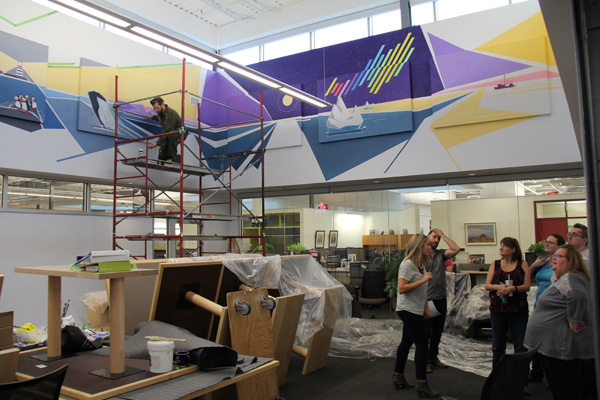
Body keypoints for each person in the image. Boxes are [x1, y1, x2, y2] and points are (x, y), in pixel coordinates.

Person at [524, 244, 594, 400]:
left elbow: (577, 295)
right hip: (550, 345)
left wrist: (574, 320)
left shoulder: (573, 277)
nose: (554, 258)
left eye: (559, 256)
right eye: (554, 255)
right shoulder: (564, 278)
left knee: (566, 389)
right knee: (560, 387)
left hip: (559, 346)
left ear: (570, 261)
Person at [392, 234, 439, 398]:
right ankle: (422, 384)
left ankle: (398, 376)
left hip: (416, 309)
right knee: (421, 344)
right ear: (419, 246)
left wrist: (426, 308)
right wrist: (423, 279)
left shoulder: (420, 265)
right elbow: (402, 288)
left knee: (406, 342)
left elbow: (423, 290)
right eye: (427, 245)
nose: (430, 247)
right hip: (408, 310)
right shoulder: (407, 265)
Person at [484, 237, 530, 368]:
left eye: (505, 246)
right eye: (501, 245)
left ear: (513, 249)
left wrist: (513, 289)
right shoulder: (496, 264)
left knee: (520, 346)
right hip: (498, 310)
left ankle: (520, 379)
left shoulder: (522, 264)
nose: (501, 248)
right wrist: (499, 288)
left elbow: (526, 285)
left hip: (518, 310)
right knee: (498, 347)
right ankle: (497, 380)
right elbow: (487, 285)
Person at [527, 233, 566, 382]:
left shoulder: (562, 262)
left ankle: (554, 375)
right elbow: (527, 279)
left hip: (555, 307)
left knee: (553, 340)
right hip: (540, 305)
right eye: (546, 242)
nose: (546, 244)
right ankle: (536, 372)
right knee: (537, 339)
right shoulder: (542, 262)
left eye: (551, 242)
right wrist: (533, 266)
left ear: (559, 246)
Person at [425, 228, 460, 373]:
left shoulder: (441, 255)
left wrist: (443, 235)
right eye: (434, 237)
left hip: (440, 298)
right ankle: (425, 359)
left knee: (437, 331)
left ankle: (433, 356)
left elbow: (456, 248)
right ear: (427, 237)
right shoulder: (421, 256)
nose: (436, 240)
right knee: (426, 332)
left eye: (437, 239)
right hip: (427, 299)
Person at [144, 97, 183, 162]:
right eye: (154, 109)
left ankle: (174, 158)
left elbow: (167, 130)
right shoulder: (161, 113)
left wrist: (157, 142)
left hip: (180, 131)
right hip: (170, 132)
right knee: (162, 157)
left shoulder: (171, 114)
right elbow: (159, 117)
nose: (156, 110)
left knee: (171, 136)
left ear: (162, 104)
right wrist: (152, 117)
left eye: (157, 108)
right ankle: (173, 158)